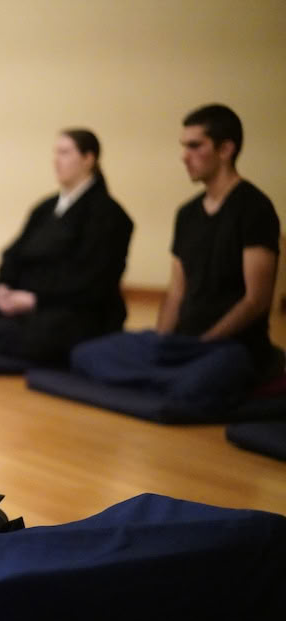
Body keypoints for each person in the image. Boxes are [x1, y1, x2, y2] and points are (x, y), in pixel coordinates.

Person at [72, 104, 282, 407]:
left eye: (195, 146)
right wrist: (162, 343)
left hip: (229, 347)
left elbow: (256, 300)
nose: (184, 156)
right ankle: (164, 374)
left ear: (226, 149)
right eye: (183, 146)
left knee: (201, 380)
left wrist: (203, 344)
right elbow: (176, 292)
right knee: (85, 354)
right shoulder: (187, 214)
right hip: (181, 345)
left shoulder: (254, 209)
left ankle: (170, 377)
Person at [0, 129, 133, 365]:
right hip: (21, 301)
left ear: (89, 159)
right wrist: (4, 287)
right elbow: (14, 253)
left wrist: (34, 299)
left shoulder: (109, 215)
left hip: (70, 309)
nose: (56, 160)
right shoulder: (45, 208)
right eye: (55, 153)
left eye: (65, 153)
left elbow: (93, 279)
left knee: (35, 335)